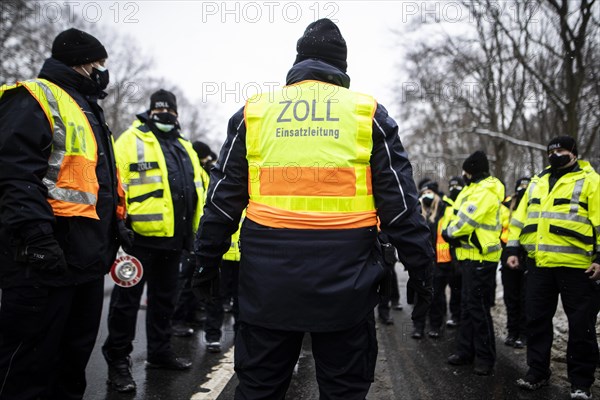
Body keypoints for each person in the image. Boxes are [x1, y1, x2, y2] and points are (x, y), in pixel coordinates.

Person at [192, 18, 434, 400]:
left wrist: (205, 258)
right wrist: (422, 268)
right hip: (345, 288)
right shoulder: (366, 113)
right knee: (344, 391)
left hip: (267, 286)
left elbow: (223, 199)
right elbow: (400, 205)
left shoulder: (254, 113)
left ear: (298, 62)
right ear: (343, 67)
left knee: (258, 390)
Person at [0, 28, 128, 400]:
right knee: (27, 368)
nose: (102, 72)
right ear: (82, 62)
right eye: (98, 64)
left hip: (83, 261)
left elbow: (94, 184)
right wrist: (36, 238)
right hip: (41, 261)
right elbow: (13, 175)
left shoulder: (88, 109)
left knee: (71, 367)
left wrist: (116, 227)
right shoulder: (33, 98)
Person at [101, 89, 207, 393]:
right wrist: (118, 224)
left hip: (174, 241)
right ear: (150, 110)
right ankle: (118, 363)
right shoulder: (130, 140)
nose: (166, 115)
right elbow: (114, 184)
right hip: (137, 240)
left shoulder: (184, 145)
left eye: (170, 111)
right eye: (160, 110)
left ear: (176, 113)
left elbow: (196, 190)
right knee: (126, 305)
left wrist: (196, 235)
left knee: (164, 302)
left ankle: (160, 353)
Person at [506, 136, 599, 400]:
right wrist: (513, 249)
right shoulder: (537, 181)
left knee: (582, 326)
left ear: (574, 152)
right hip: (539, 265)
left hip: (578, 267)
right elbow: (519, 219)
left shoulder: (591, 180)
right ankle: (537, 371)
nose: (555, 155)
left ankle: (581, 382)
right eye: (551, 151)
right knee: (536, 320)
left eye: (561, 150)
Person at [443, 151, 504, 376]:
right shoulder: (471, 190)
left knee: (478, 309)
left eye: (466, 171)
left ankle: (486, 358)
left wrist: (448, 232)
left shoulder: (485, 191)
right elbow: (454, 215)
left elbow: (465, 222)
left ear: (471, 171)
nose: (463, 175)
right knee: (467, 307)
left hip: (481, 258)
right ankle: (465, 351)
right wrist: (450, 228)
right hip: (468, 257)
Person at [425, 177, 464, 338]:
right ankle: (436, 324)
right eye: (452, 185)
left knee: (457, 292)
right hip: (439, 260)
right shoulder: (437, 208)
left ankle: (457, 319)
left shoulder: (457, 206)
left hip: (455, 258)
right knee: (436, 294)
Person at [500, 177, 530, 349]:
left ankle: (524, 334)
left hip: (526, 256)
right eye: (521, 186)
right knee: (511, 298)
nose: (523, 189)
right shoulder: (506, 206)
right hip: (508, 255)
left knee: (525, 297)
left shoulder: (533, 204)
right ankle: (512, 331)